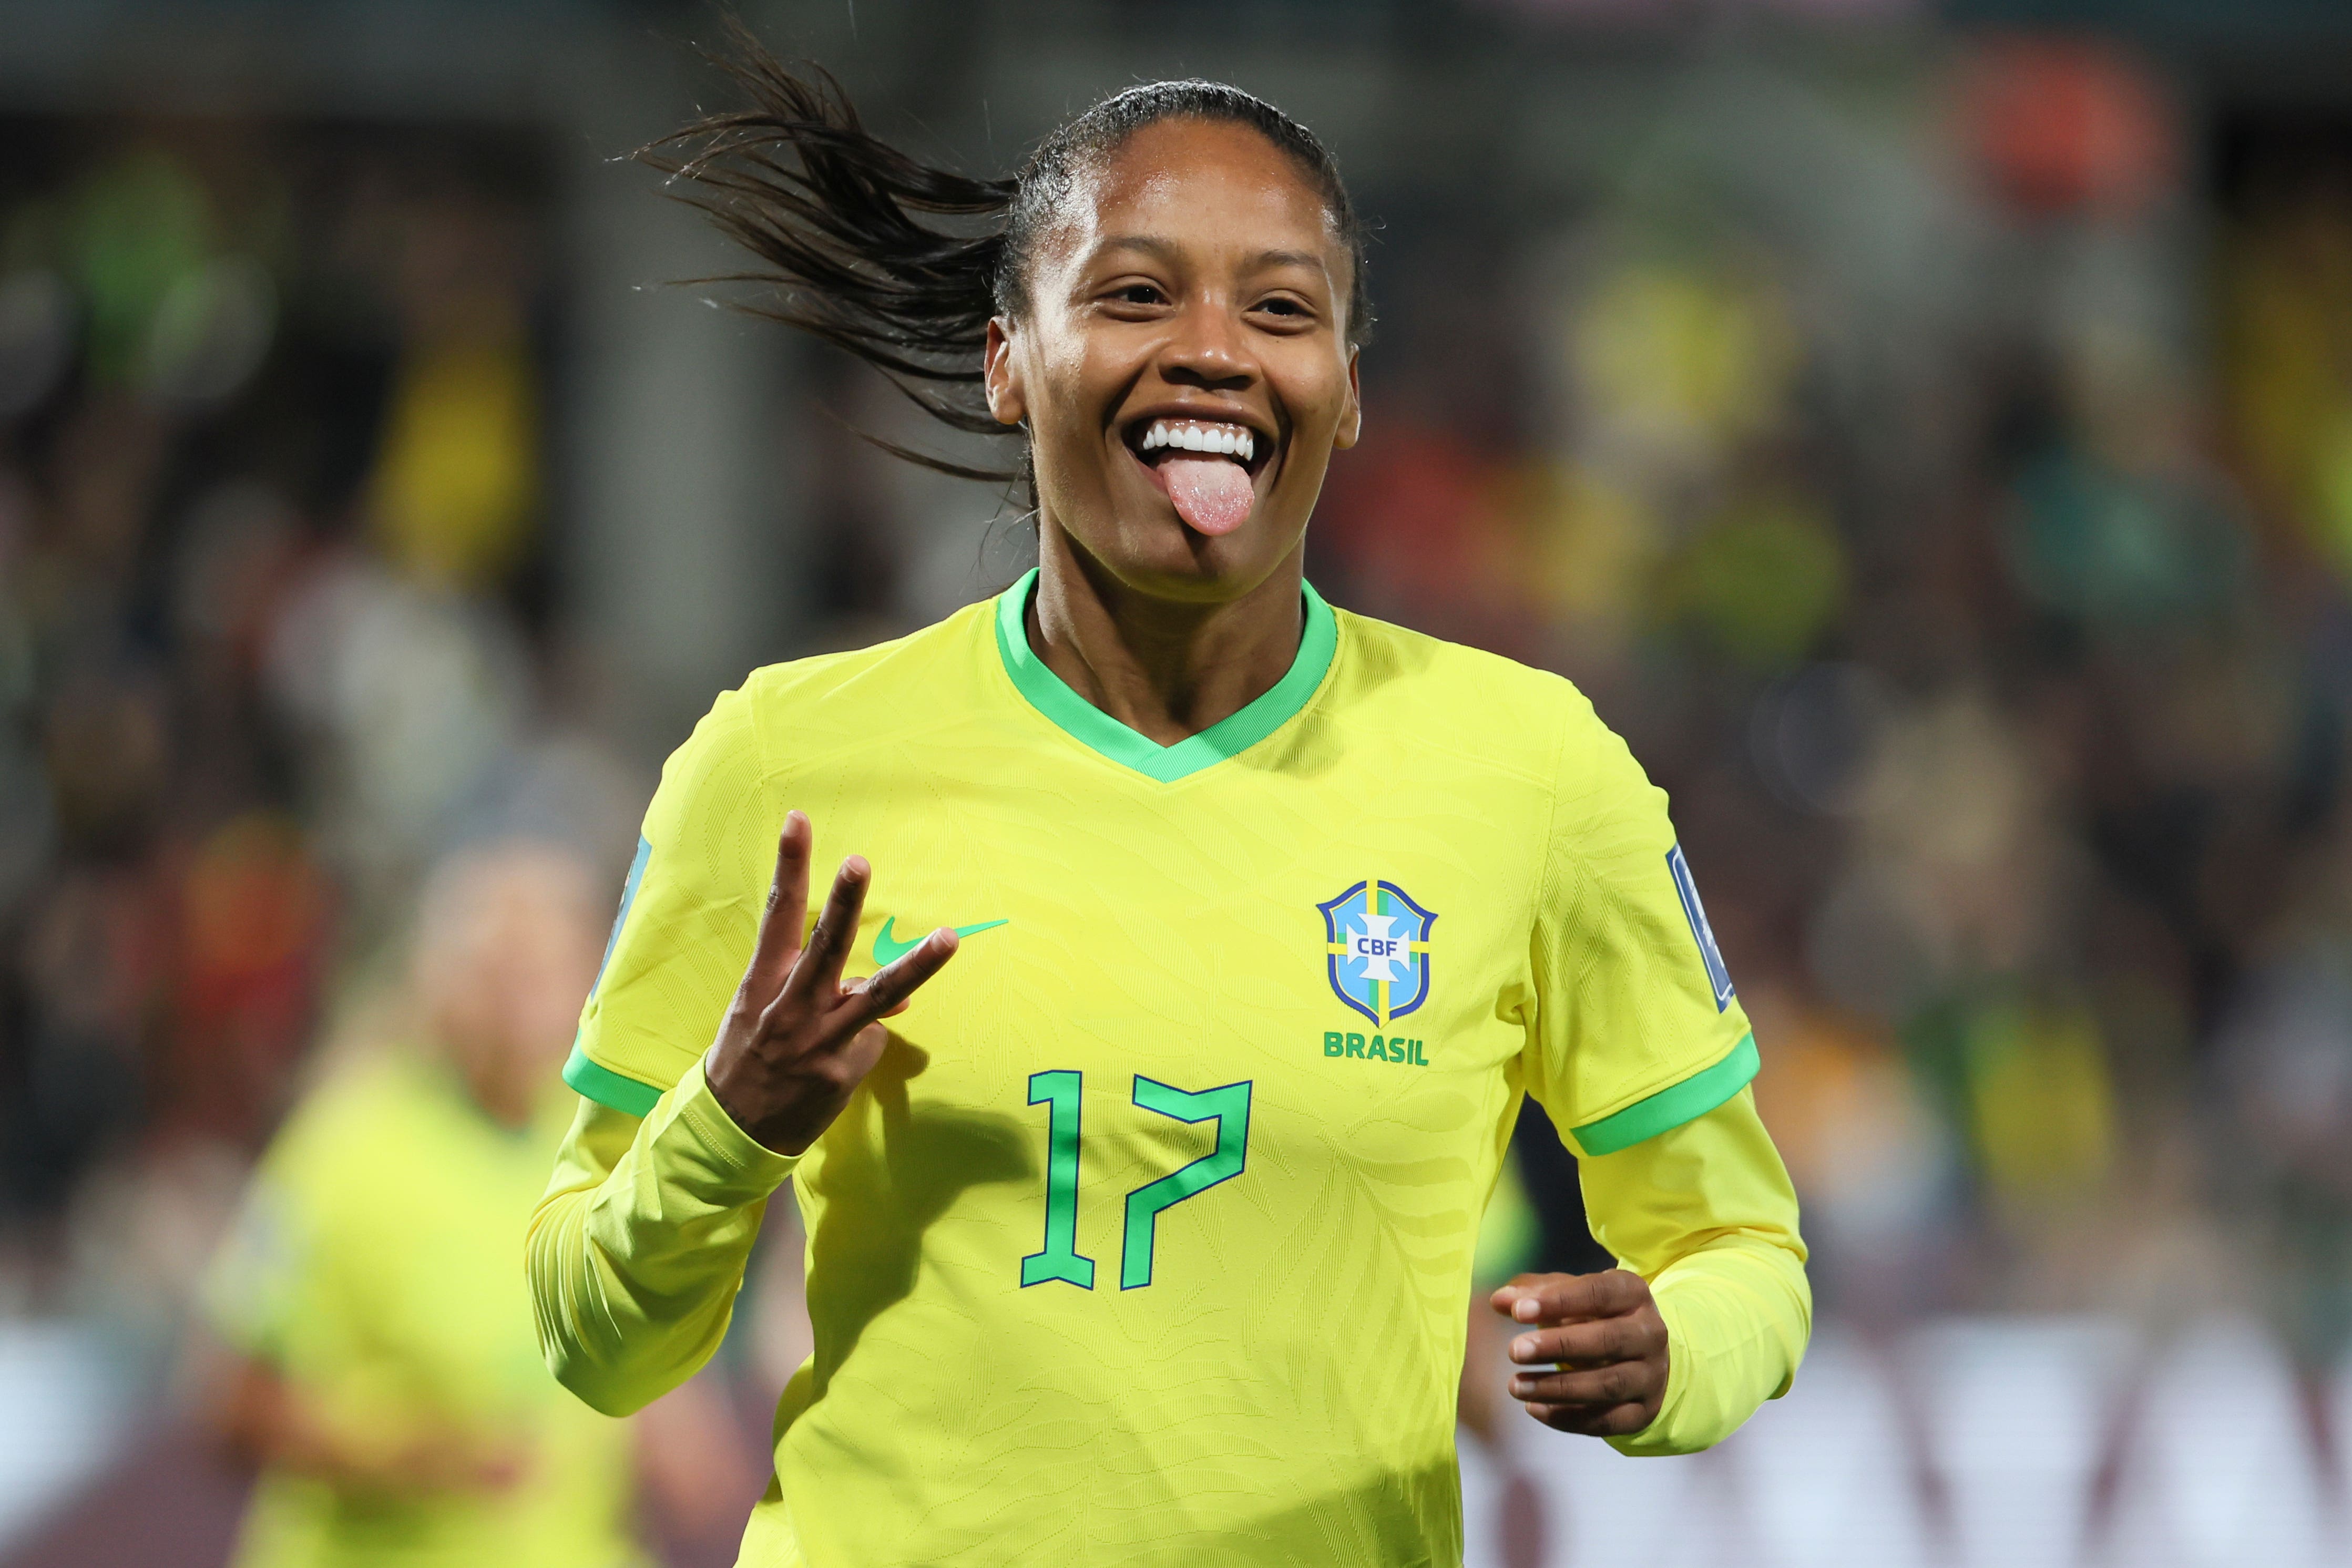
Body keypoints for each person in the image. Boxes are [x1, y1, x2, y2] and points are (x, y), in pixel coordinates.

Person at [529, 42, 1809, 1567]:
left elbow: (1743, 1252)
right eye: (1136, 294)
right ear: (1009, 360)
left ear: (1342, 393)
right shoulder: (781, 766)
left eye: (1278, 309)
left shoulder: (1532, 773)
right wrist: (726, 1128)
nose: (1212, 349)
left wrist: (1675, 1357)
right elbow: (588, 1341)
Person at [201, 839, 752, 1568]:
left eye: (546, 973)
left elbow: (643, 1359)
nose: (519, 1003)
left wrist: (673, 1423)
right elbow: (233, 1403)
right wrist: (409, 1458)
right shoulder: (345, 1146)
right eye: (495, 972)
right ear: (436, 978)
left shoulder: (607, 1138)